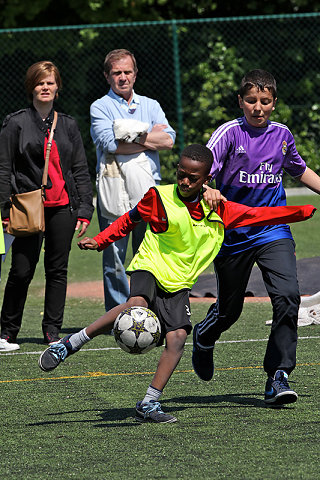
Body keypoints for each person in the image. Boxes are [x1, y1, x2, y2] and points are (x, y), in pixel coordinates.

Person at [38, 144, 315, 423]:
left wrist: (301, 212)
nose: (184, 181)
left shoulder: (220, 209)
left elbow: (258, 216)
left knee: (178, 338)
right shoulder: (158, 196)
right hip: (150, 266)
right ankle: (70, 344)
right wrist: (100, 241)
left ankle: (148, 403)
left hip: (179, 281)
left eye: (192, 178)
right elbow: (129, 219)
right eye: (181, 174)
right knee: (136, 307)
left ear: (207, 180)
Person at [192, 69, 320, 406]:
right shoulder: (228, 134)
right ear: (240, 101)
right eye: (251, 100)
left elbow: (298, 168)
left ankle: (278, 375)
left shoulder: (282, 135)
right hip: (233, 232)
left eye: (265, 101)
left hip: (273, 228)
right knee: (229, 311)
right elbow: (197, 174)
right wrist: (207, 189)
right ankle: (204, 336)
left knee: (288, 296)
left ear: (274, 103)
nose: (258, 107)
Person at [0, 61, 94, 352]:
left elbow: (80, 169)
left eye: (50, 82)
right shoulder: (15, 122)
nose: (45, 87)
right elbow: (3, 168)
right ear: (32, 86)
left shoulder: (67, 124)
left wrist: (85, 208)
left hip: (63, 207)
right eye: (40, 82)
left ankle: (52, 331)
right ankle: (6, 332)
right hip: (27, 206)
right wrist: (4, 209)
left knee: (58, 270)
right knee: (21, 270)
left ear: (57, 87)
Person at [90, 48, 176, 312]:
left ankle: (146, 310)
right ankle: (117, 314)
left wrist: (127, 134)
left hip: (149, 192)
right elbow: (109, 144)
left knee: (147, 255)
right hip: (113, 190)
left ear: (136, 74)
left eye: (128, 72)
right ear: (107, 76)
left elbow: (169, 141)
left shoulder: (151, 105)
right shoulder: (100, 107)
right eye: (117, 72)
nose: (123, 77)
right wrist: (148, 137)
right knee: (114, 258)